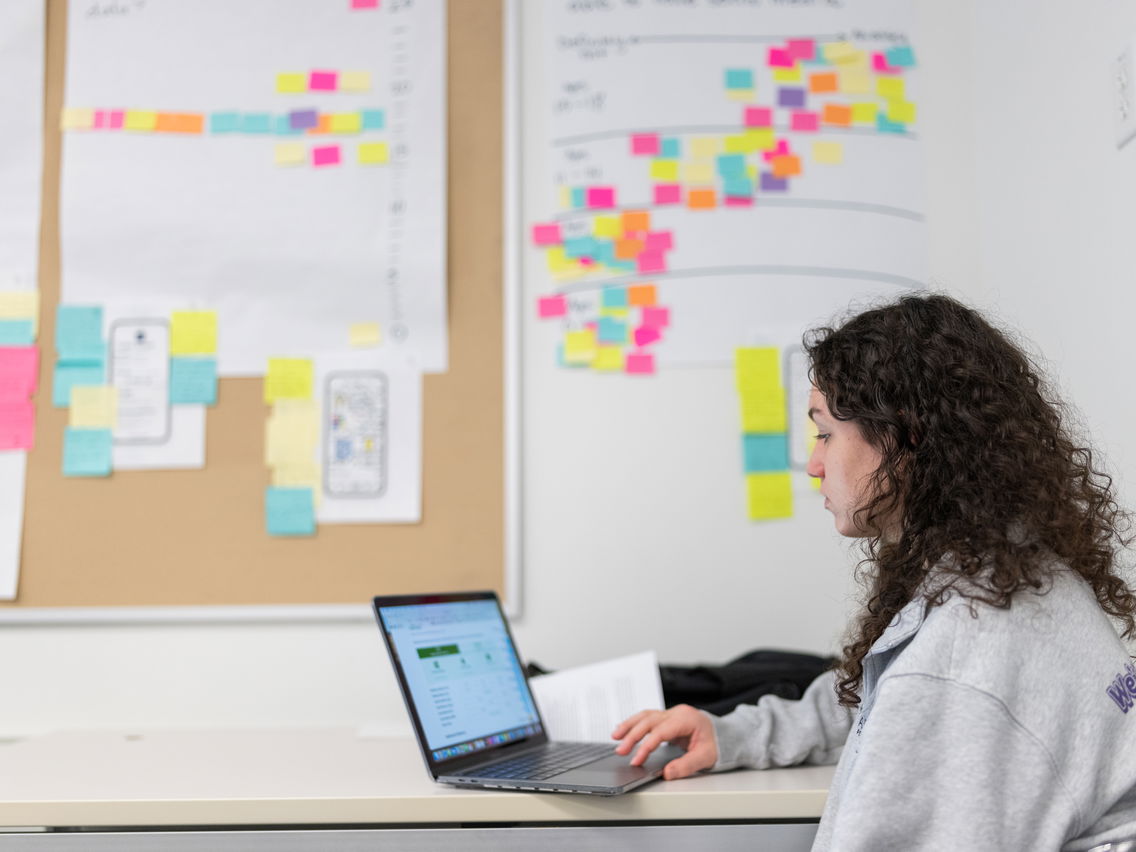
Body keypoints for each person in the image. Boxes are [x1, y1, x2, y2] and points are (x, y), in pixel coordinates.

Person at [612, 293, 1136, 850]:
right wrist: (734, 735)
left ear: (902, 436)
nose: (814, 465)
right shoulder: (1015, 569)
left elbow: (923, 699)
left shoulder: (959, 660)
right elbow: (875, 700)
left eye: (825, 434)